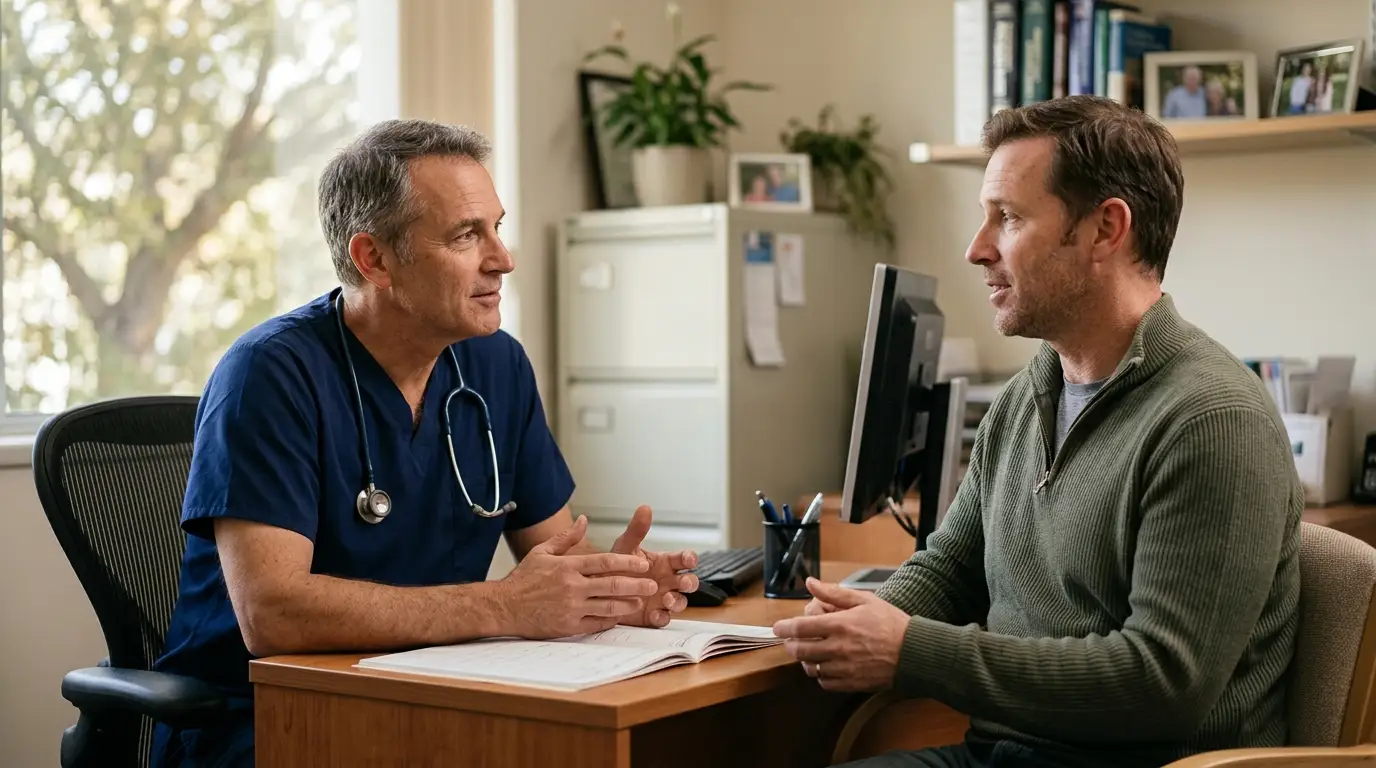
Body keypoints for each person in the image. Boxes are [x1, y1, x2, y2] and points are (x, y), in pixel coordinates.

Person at [772, 95, 1303, 768]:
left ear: (1106, 230)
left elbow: (1162, 682)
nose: (976, 248)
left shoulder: (1212, 421)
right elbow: (954, 568)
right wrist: (848, 622)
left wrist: (909, 650)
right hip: (1001, 755)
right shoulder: (1031, 393)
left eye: (1009, 217)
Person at [149, 119, 699, 767]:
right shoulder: (269, 375)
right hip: (263, 722)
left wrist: (610, 590)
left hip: (431, 700)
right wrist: (505, 603)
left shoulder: (496, 367)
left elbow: (553, 557)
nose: (503, 257)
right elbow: (274, 614)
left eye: (498, 226)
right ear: (373, 259)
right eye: (467, 235)